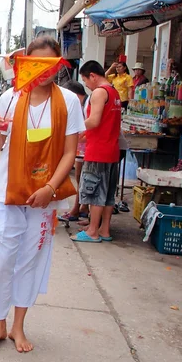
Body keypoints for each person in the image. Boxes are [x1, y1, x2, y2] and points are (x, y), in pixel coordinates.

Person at [0, 37, 85, 353]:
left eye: (49, 65)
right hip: (6, 192)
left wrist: (50, 190)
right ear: (24, 64)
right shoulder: (9, 98)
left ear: (59, 65)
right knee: (1, 257)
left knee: (29, 260)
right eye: (35, 64)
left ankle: (18, 327)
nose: (43, 72)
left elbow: (69, 153)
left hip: (43, 196)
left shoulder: (68, 102)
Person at [73, 60, 122, 243]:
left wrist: (74, 128)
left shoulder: (99, 93)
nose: (86, 85)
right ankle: (104, 230)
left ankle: (93, 231)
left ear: (92, 76)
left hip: (98, 151)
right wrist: (85, 134)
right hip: (111, 150)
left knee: (94, 193)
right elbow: (104, 123)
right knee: (108, 194)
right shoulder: (114, 92)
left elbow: (94, 120)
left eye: (86, 80)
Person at [58, 80, 89, 222]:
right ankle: (81, 208)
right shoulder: (82, 103)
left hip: (86, 148)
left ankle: (77, 209)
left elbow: (84, 128)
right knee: (80, 177)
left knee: (81, 178)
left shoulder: (85, 104)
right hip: (81, 148)